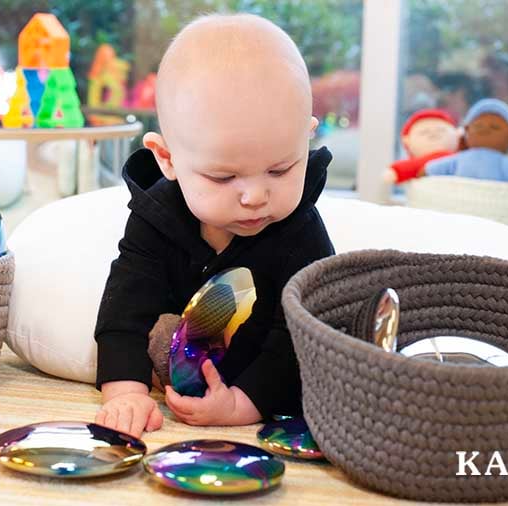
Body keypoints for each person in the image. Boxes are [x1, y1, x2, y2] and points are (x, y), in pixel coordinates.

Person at [93, 13, 336, 438]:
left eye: (280, 169)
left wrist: (244, 403)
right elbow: (123, 312)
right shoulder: (155, 218)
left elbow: (300, 339)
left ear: (307, 138)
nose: (255, 196)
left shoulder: (300, 230)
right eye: (224, 178)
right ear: (167, 159)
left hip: (257, 364)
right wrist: (125, 393)